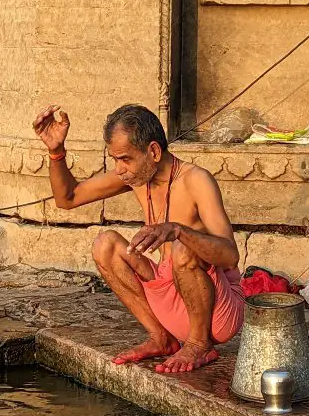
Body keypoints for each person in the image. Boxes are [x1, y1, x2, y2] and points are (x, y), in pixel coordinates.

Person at [32, 103, 245, 373]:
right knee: (105, 244)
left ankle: (198, 344)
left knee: (183, 246)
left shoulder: (196, 180)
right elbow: (67, 198)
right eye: (115, 160)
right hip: (171, 300)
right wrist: (56, 153)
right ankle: (162, 338)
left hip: (217, 314)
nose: (120, 169)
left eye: (125, 159)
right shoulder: (136, 176)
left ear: (153, 151)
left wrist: (178, 229)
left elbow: (230, 256)